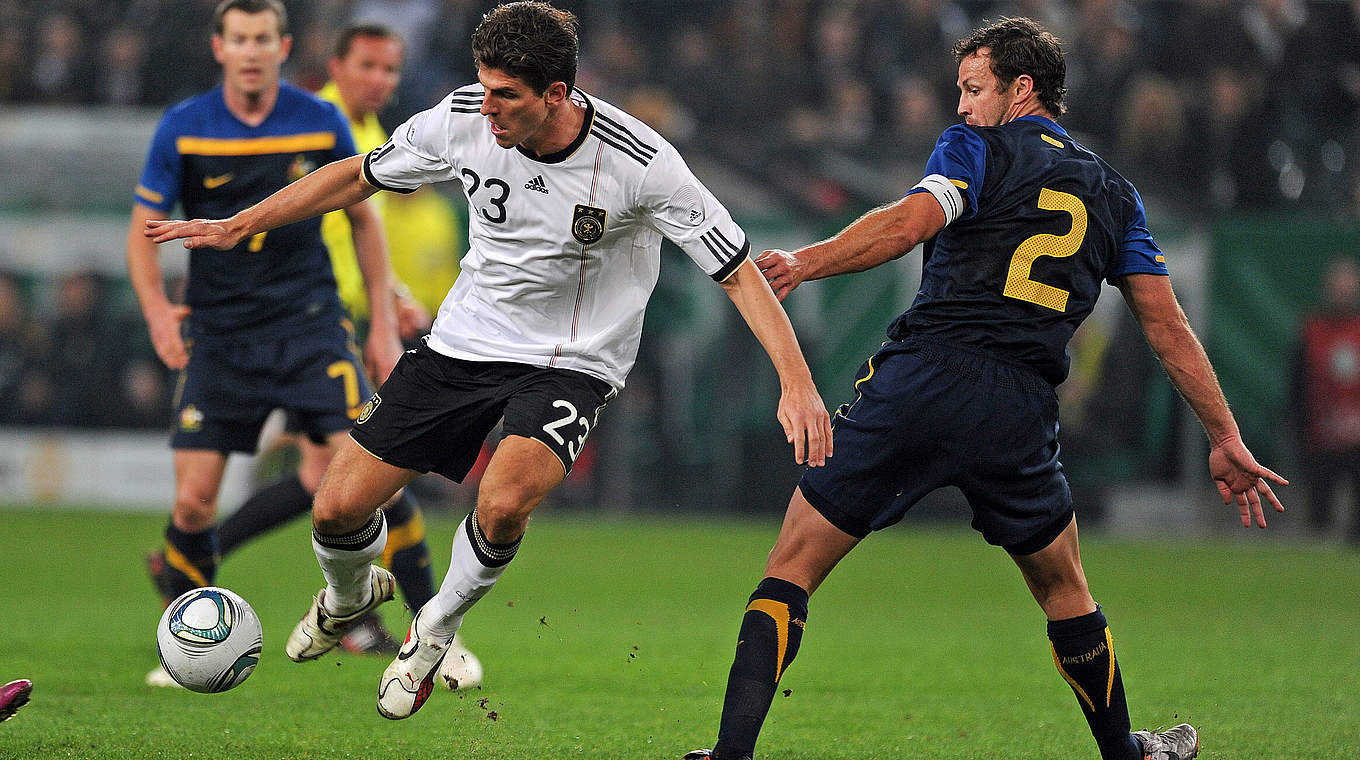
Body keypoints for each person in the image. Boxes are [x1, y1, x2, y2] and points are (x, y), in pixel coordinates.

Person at [146, 0, 831, 719]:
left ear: (557, 95)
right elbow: (356, 177)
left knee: (502, 501)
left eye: (507, 95)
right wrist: (238, 224)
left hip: (576, 358)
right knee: (337, 508)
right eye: (485, 86)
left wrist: (797, 382)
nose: (490, 108)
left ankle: (436, 626)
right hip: (464, 341)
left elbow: (737, 270)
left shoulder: (642, 163)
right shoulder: (464, 117)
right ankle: (350, 596)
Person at [683, 18, 1286, 760]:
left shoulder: (976, 148)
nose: (963, 107)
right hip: (1020, 407)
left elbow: (909, 223)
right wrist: (1225, 437)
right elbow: (1166, 325)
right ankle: (1126, 755)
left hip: (926, 375)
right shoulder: (1116, 195)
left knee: (791, 566)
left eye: (973, 89)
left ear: (1020, 88)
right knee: (1066, 589)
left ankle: (731, 755)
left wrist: (807, 261)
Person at [127, 0, 404, 687]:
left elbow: (365, 224)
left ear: (283, 47)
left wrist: (381, 322)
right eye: (239, 38)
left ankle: (380, 613)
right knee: (193, 501)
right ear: (219, 46)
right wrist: (160, 313)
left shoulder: (319, 119)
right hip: (219, 334)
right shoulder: (184, 128)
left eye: (264, 39)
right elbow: (143, 229)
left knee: (359, 476)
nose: (251, 51)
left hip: (309, 325)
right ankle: (186, 639)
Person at [187, 21, 474, 674]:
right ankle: (428, 633)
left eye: (391, 70)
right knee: (373, 469)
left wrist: (392, 296)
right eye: (369, 66)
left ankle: (353, 610)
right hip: (314, 323)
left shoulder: (374, 136)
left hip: (339, 323)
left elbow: (363, 229)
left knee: (335, 477)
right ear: (336, 68)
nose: (382, 81)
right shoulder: (313, 126)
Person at [1291, 256, 1360, 542]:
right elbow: (1297, 384)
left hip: (1356, 439)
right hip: (1320, 437)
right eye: (1337, 287)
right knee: (1319, 517)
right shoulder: (1312, 331)